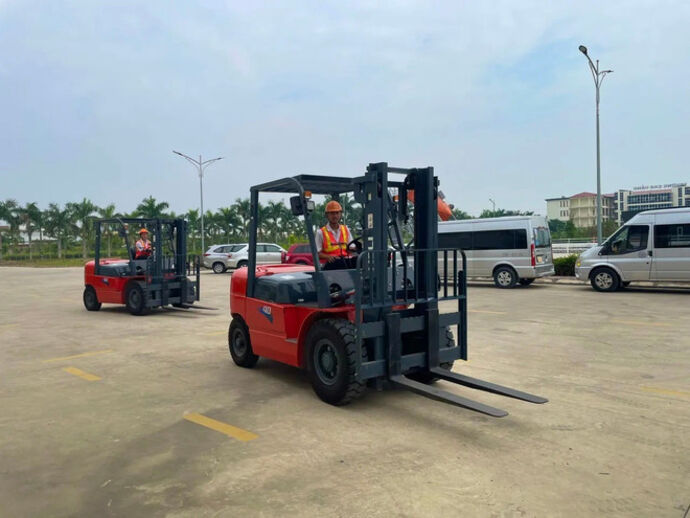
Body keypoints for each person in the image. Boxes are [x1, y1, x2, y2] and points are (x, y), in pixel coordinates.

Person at [315, 200, 353, 265]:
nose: (335, 216)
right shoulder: (320, 232)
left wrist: (353, 249)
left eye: (337, 213)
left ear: (340, 214)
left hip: (345, 263)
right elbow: (316, 253)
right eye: (332, 213)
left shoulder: (346, 229)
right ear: (327, 215)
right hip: (329, 265)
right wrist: (328, 257)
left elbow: (351, 247)